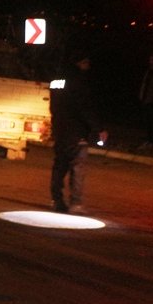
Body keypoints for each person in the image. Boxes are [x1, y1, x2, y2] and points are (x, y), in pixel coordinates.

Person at [50, 54, 107, 213]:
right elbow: (85, 108)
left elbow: (53, 106)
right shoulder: (80, 82)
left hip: (60, 130)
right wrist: (99, 128)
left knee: (59, 166)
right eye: (86, 61)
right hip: (76, 131)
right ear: (79, 63)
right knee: (77, 168)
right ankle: (76, 203)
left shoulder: (56, 81)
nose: (88, 65)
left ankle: (56, 200)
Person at [137, 54, 153, 152]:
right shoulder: (149, 71)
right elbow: (145, 84)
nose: (152, 62)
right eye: (151, 60)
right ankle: (149, 141)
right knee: (148, 122)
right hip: (146, 100)